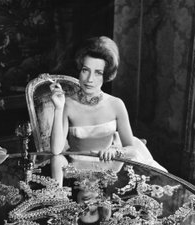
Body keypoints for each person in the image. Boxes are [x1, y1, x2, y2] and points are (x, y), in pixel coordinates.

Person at [50, 36, 167, 174]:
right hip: (77, 171)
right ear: (79, 70)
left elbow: (131, 148)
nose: (90, 79)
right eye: (85, 70)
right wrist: (58, 108)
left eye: (98, 73)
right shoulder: (68, 103)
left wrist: (116, 150)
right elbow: (56, 150)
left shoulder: (116, 104)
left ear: (106, 75)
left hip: (112, 170)